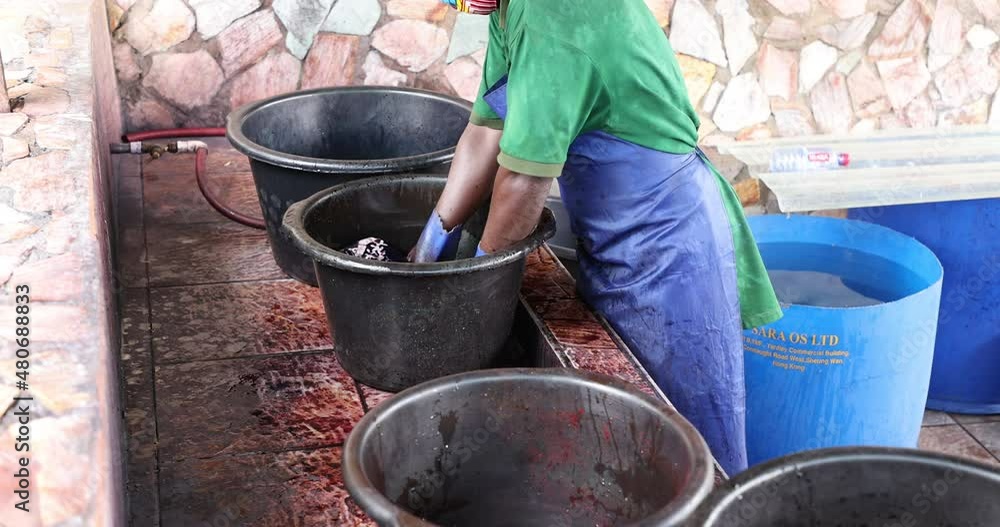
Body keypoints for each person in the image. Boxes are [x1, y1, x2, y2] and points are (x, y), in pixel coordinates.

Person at [412, 0, 783, 475]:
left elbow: (524, 178)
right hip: (611, 239)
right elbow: (486, 130)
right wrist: (429, 246)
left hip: (670, 248)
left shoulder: (550, 14)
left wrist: (476, 290)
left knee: (686, 449)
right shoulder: (511, 11)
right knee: (626, 440)